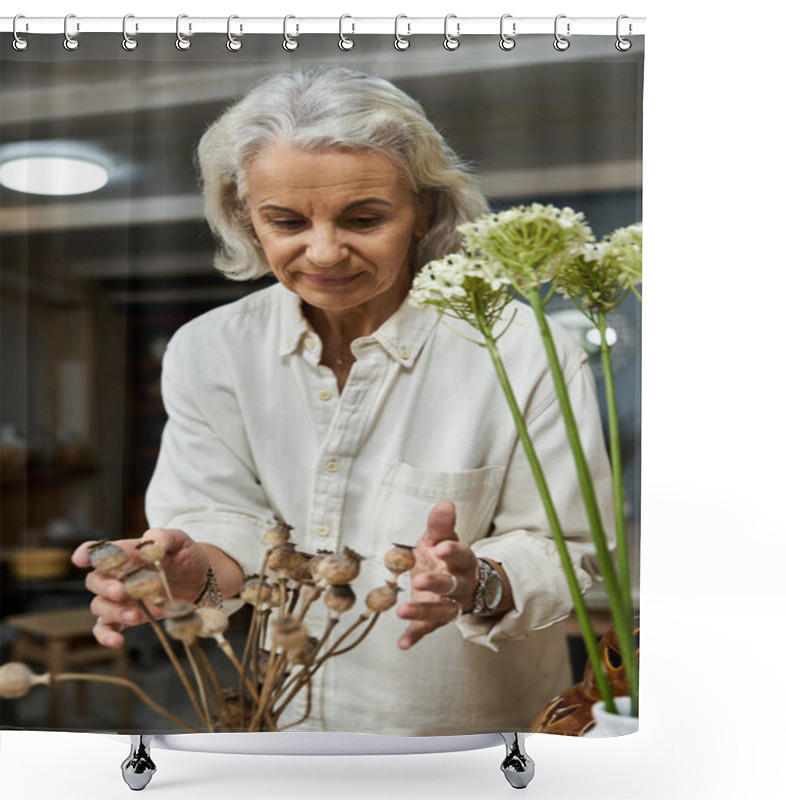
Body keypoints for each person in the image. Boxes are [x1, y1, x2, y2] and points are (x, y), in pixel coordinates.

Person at [72, 67, 614, 736]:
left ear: (424, 211)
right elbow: (224, 524)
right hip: (284, 724)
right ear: (247, 217)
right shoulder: (209, 351)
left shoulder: (522, 348)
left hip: (472, 741)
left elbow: (571, 549)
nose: (324, 251)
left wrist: (480, 582)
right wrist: (191, 575)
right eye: (286, 221)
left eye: (364, 218)